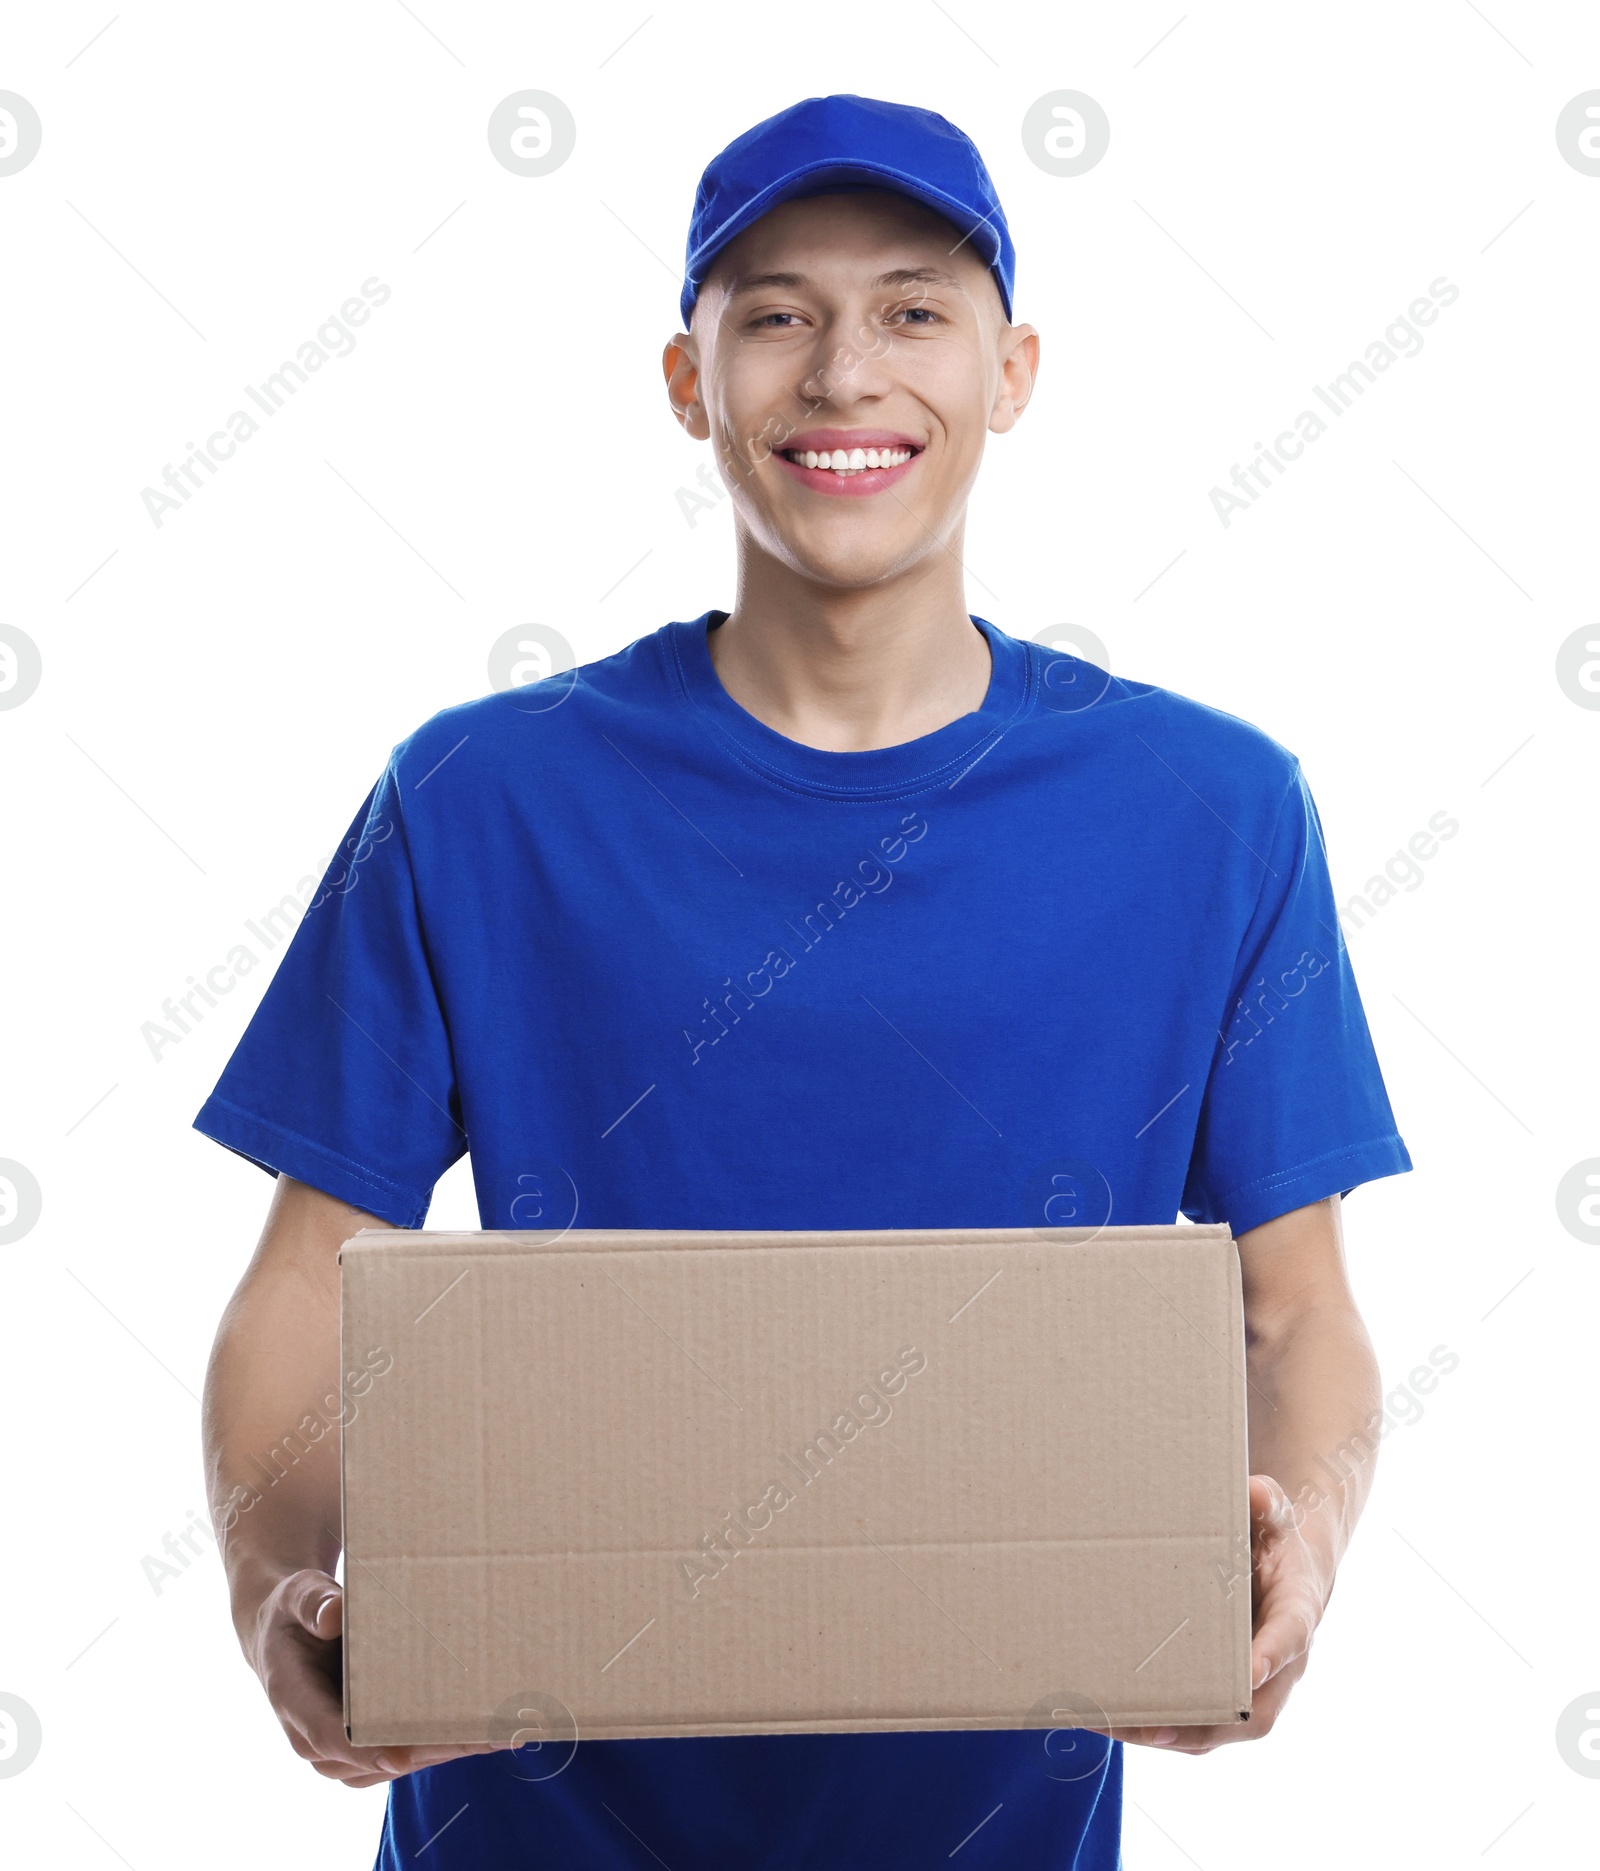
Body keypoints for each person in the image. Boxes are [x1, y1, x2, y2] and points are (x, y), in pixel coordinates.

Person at [197, 93, 1411, 1871]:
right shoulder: (480, 800)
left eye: (916, 310)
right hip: (526, 1823)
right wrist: (269, 1592)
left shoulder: (1213, 815)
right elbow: (310, 1277)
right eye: (774, 314)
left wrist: (1302, 1542)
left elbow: (1292, 1312)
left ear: (1016, 372)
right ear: (688, 382)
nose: (847, 373)